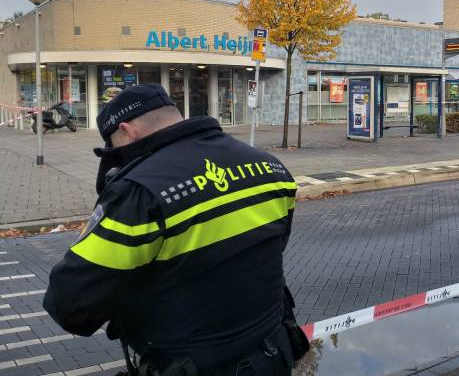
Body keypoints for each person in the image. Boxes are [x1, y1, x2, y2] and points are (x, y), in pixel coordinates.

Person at [43, 84, 307, 375]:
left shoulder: (139, 193)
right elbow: (264, 249)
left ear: (127, 132)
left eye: (115, 149)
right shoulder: (271, 168)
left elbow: (69, 304)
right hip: (274, 356)